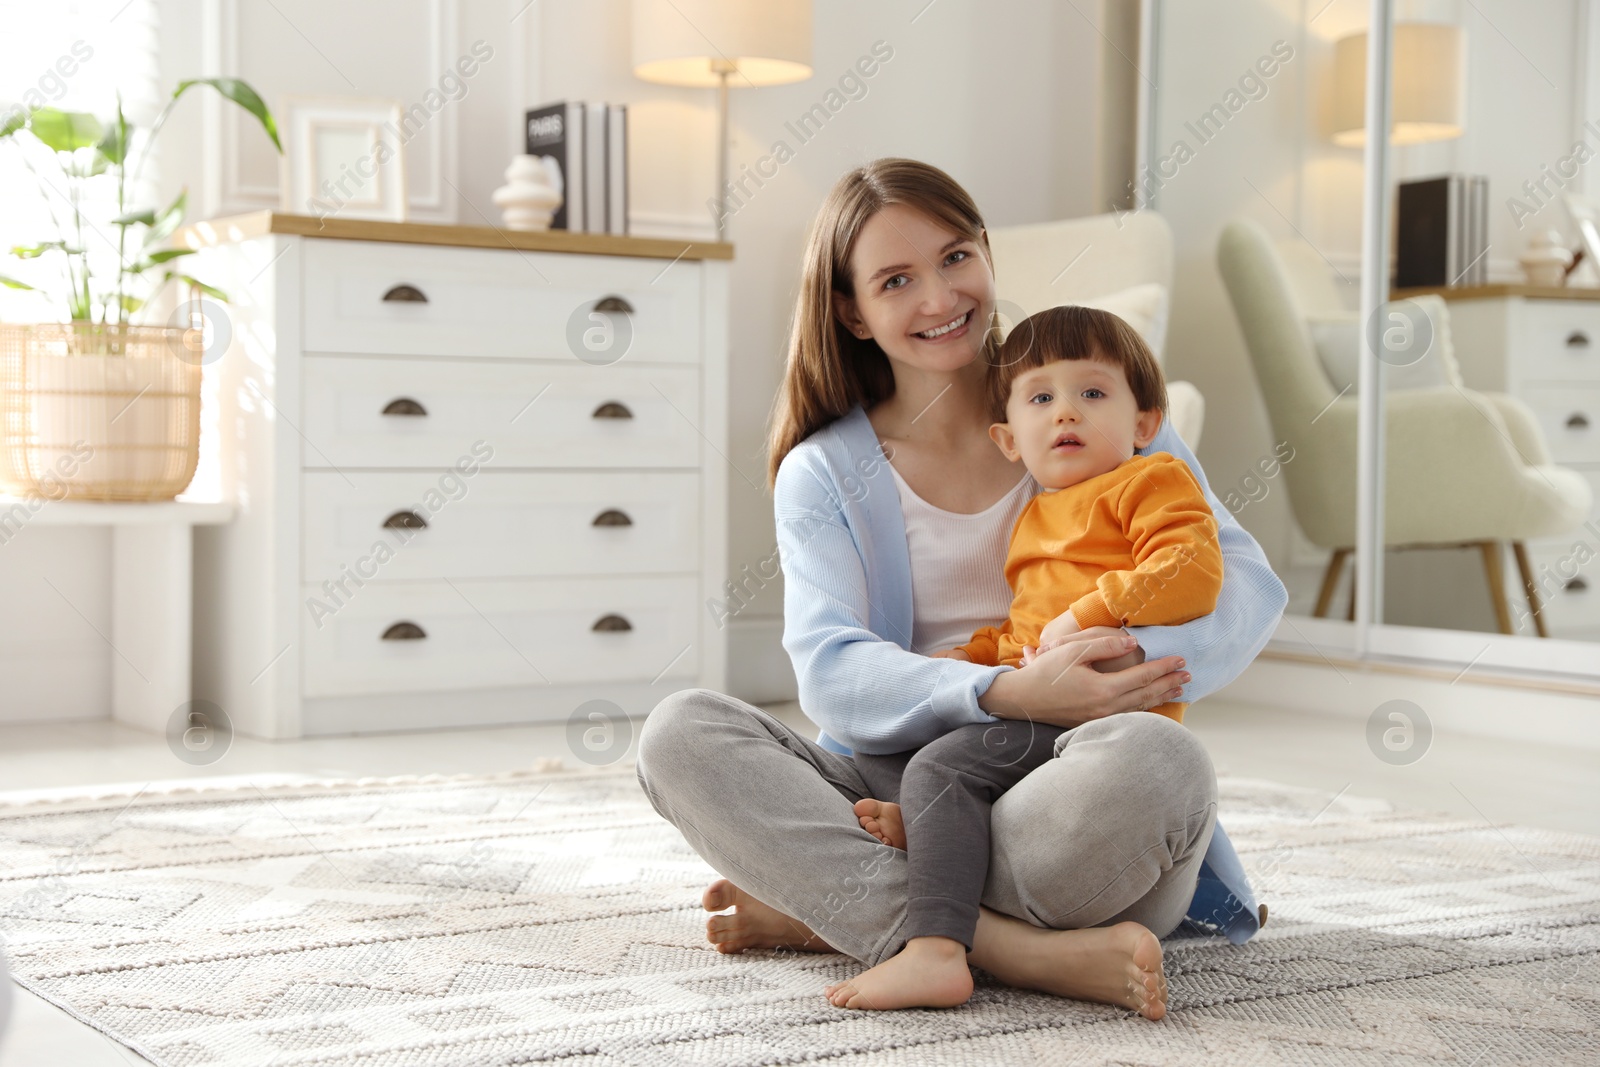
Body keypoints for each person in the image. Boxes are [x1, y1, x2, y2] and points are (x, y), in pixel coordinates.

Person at [634, 158, 1287, 1020]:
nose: (940, 298)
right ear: (850, 311)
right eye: (896, 280)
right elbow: (831, 671)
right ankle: (1018, 950)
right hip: (896, 786)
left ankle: (848, 912)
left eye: (954, 258)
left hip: (1066, 787)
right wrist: (1007, 688)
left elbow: (1244, 583)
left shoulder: (1087, 398)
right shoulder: (823, 471)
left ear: (985, 250)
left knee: (1162, 764)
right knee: (679, 734)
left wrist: (1099, 670)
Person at [838, 303, 1226, 1010]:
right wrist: (969, 658)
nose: (1066, 413)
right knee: (924, 754)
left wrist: (1094, 610)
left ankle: (932, 934)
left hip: (1107, 731)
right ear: (1009, 438)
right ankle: (940, 846)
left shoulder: (1152, 479)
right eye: (1042, 398)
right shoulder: (1035, 516)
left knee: (941, 768)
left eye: (1093, 393)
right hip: (1039, 719)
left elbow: (1193, 567)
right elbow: (1026, 635)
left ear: (1144, 422)